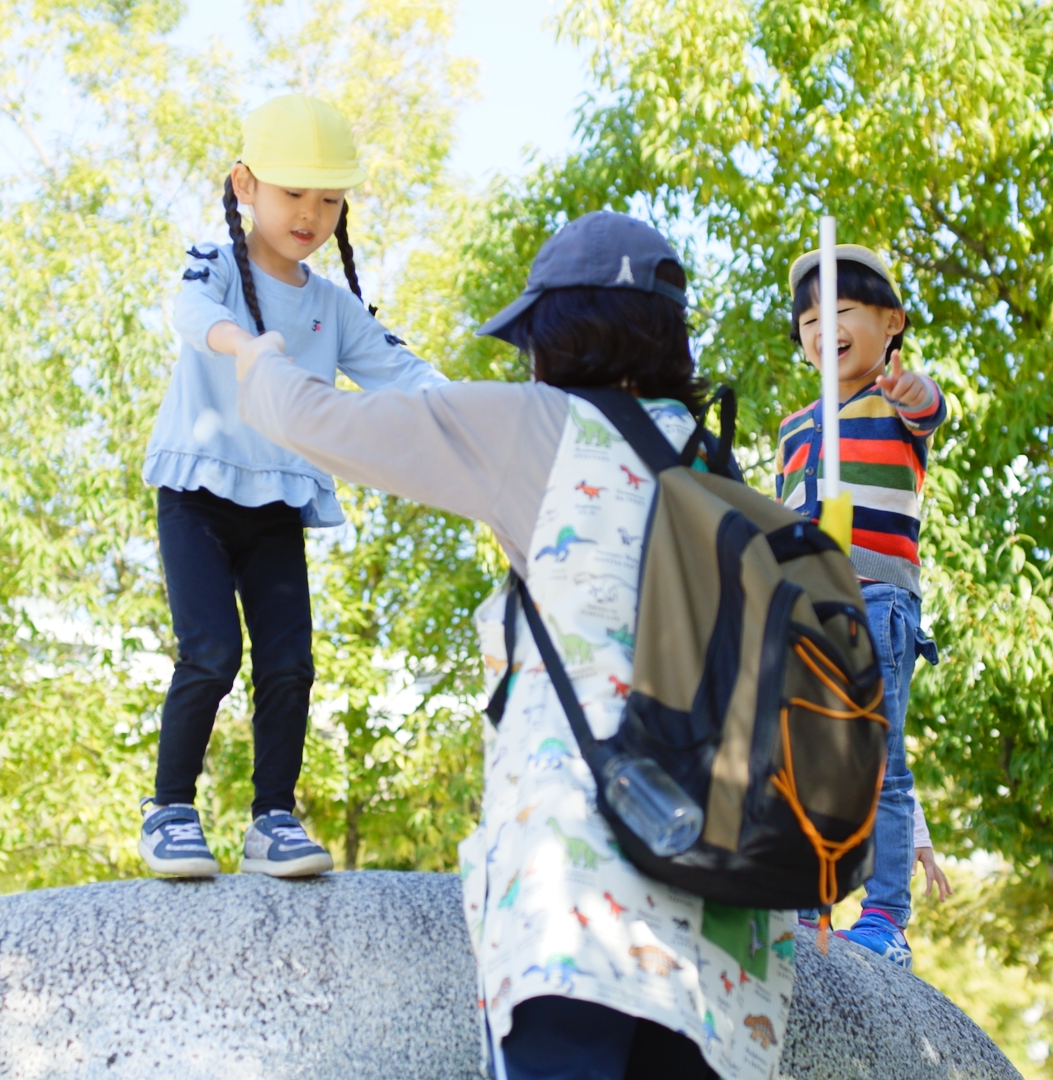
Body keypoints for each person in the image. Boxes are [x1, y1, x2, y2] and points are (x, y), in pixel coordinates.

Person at [235, 211, 792, 1079]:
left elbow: (317, 421)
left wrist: (251, 350)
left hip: (581, 907)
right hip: (733, 945)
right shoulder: (723, 477)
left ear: (558, 336)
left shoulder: (537, 428)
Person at [137, 93, 446, 879]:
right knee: (209, 650)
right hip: (198, 497)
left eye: (330, 199)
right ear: (246, 186)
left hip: (274, 504)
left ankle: (273, 816)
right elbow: (189, 311)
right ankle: (169, 808)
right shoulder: (214, 262)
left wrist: (471, 410)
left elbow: (400, 373)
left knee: (289, 662)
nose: (312, 213)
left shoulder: (333, 308)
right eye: (294, 193)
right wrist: (246, 347)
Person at [774, 245, 946, 968]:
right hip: (810, 604)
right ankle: (810, 902)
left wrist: (907, 389)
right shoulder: (793, 427)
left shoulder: (894, 403)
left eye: (842, 312)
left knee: (882, 763)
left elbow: (928, 406)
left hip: (876, 594)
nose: (825, 329)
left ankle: (883, 918)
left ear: (891, 323)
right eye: (811, 319)